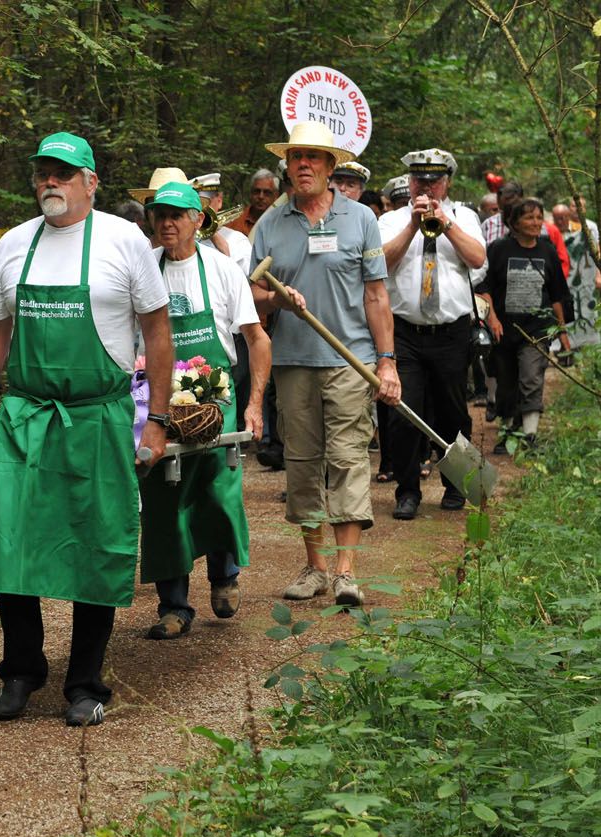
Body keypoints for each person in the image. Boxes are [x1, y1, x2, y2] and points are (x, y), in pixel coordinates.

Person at [0, 132, 173, 727]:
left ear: (91, 182)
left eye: (63, 172)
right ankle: (22, 671)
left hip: (98, 416)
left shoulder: (123, 239)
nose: (50, 182)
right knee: (9, 540)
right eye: (42, 173)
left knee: (95, 544)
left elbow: (157, 333)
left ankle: (86, 682)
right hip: (25, 414)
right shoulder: (13, 244)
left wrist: (156, 419)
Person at [250, 121, 401, 607]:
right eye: (297, 158)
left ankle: (345, 572)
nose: (304, 165)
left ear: (332, 167)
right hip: (293, 361)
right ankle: (315, 567)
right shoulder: (270, 224)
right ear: (288, 166)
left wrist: (387, 362)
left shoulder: (361, 219)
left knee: (349, 459)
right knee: (302, 463)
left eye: (314, 157)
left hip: (350, 361)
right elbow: (252, 293)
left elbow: (376, 295)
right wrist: (277, 299)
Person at [139, 182, 270, 639]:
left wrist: (254, 406)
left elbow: (257, 340)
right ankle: (173, 606)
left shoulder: (221, 270)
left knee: (218, 492)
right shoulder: (143, 271)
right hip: (158, 398)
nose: (168, 223)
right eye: (160, 215)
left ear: (199, 219)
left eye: (178, 215)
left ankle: (224, 576)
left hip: (216, 398)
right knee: (163, 500)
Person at [377, 148, 487, 519]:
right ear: (409, 182)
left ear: (447, 182)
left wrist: (446, 223)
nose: (426, 186)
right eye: (419, 180)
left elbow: (477, 259)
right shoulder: (391, 221)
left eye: (434, 180)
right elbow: (381, 263)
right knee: (403, 413)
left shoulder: (465, 216)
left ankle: (457, 485)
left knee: (453, 412)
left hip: (452, 333)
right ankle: (407, 490)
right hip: (404, 331)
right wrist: (413, 224)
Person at [477, 197, 572, 452]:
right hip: (504, 329)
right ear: (514, 222)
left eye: (539, 217)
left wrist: (562, 334)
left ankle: (529, 437)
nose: (536, 223)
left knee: (531, 378)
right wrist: (492, 319)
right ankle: (508, 434)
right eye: (529, 217)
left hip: (537, 329)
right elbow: (484, 287)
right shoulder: (499, 249)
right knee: (507, 383)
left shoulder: (547, 250)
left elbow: (556, 294)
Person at [482, 180, 570, 278]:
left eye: (539, 217)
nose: (535, 223)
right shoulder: (489, 229)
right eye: (505, 207)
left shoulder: (543, 231)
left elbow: (560, 264)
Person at [552, 200, 601, 347]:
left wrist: (599, 274)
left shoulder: (588, 229)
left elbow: (596, 251)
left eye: (563, 217)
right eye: (557, 218)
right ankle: (562, 346)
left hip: (579, 280)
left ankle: (583, 346)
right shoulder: (549, 233)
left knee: (583, 309)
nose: (561, 221)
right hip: (559, 281)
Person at [191, 171, 253, 273]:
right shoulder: (184, 237)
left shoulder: (238, 241)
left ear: (219, 200)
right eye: (196, 203)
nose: (201, 208)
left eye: (206, 202)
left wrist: (216, 237)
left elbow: (247, 280)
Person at [230, 169, 279, 236]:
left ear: (275, 196)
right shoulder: (235, 221)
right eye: (257, 191)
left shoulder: (282, 222)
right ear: (251, 193)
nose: (261, 197)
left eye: (267, 192)